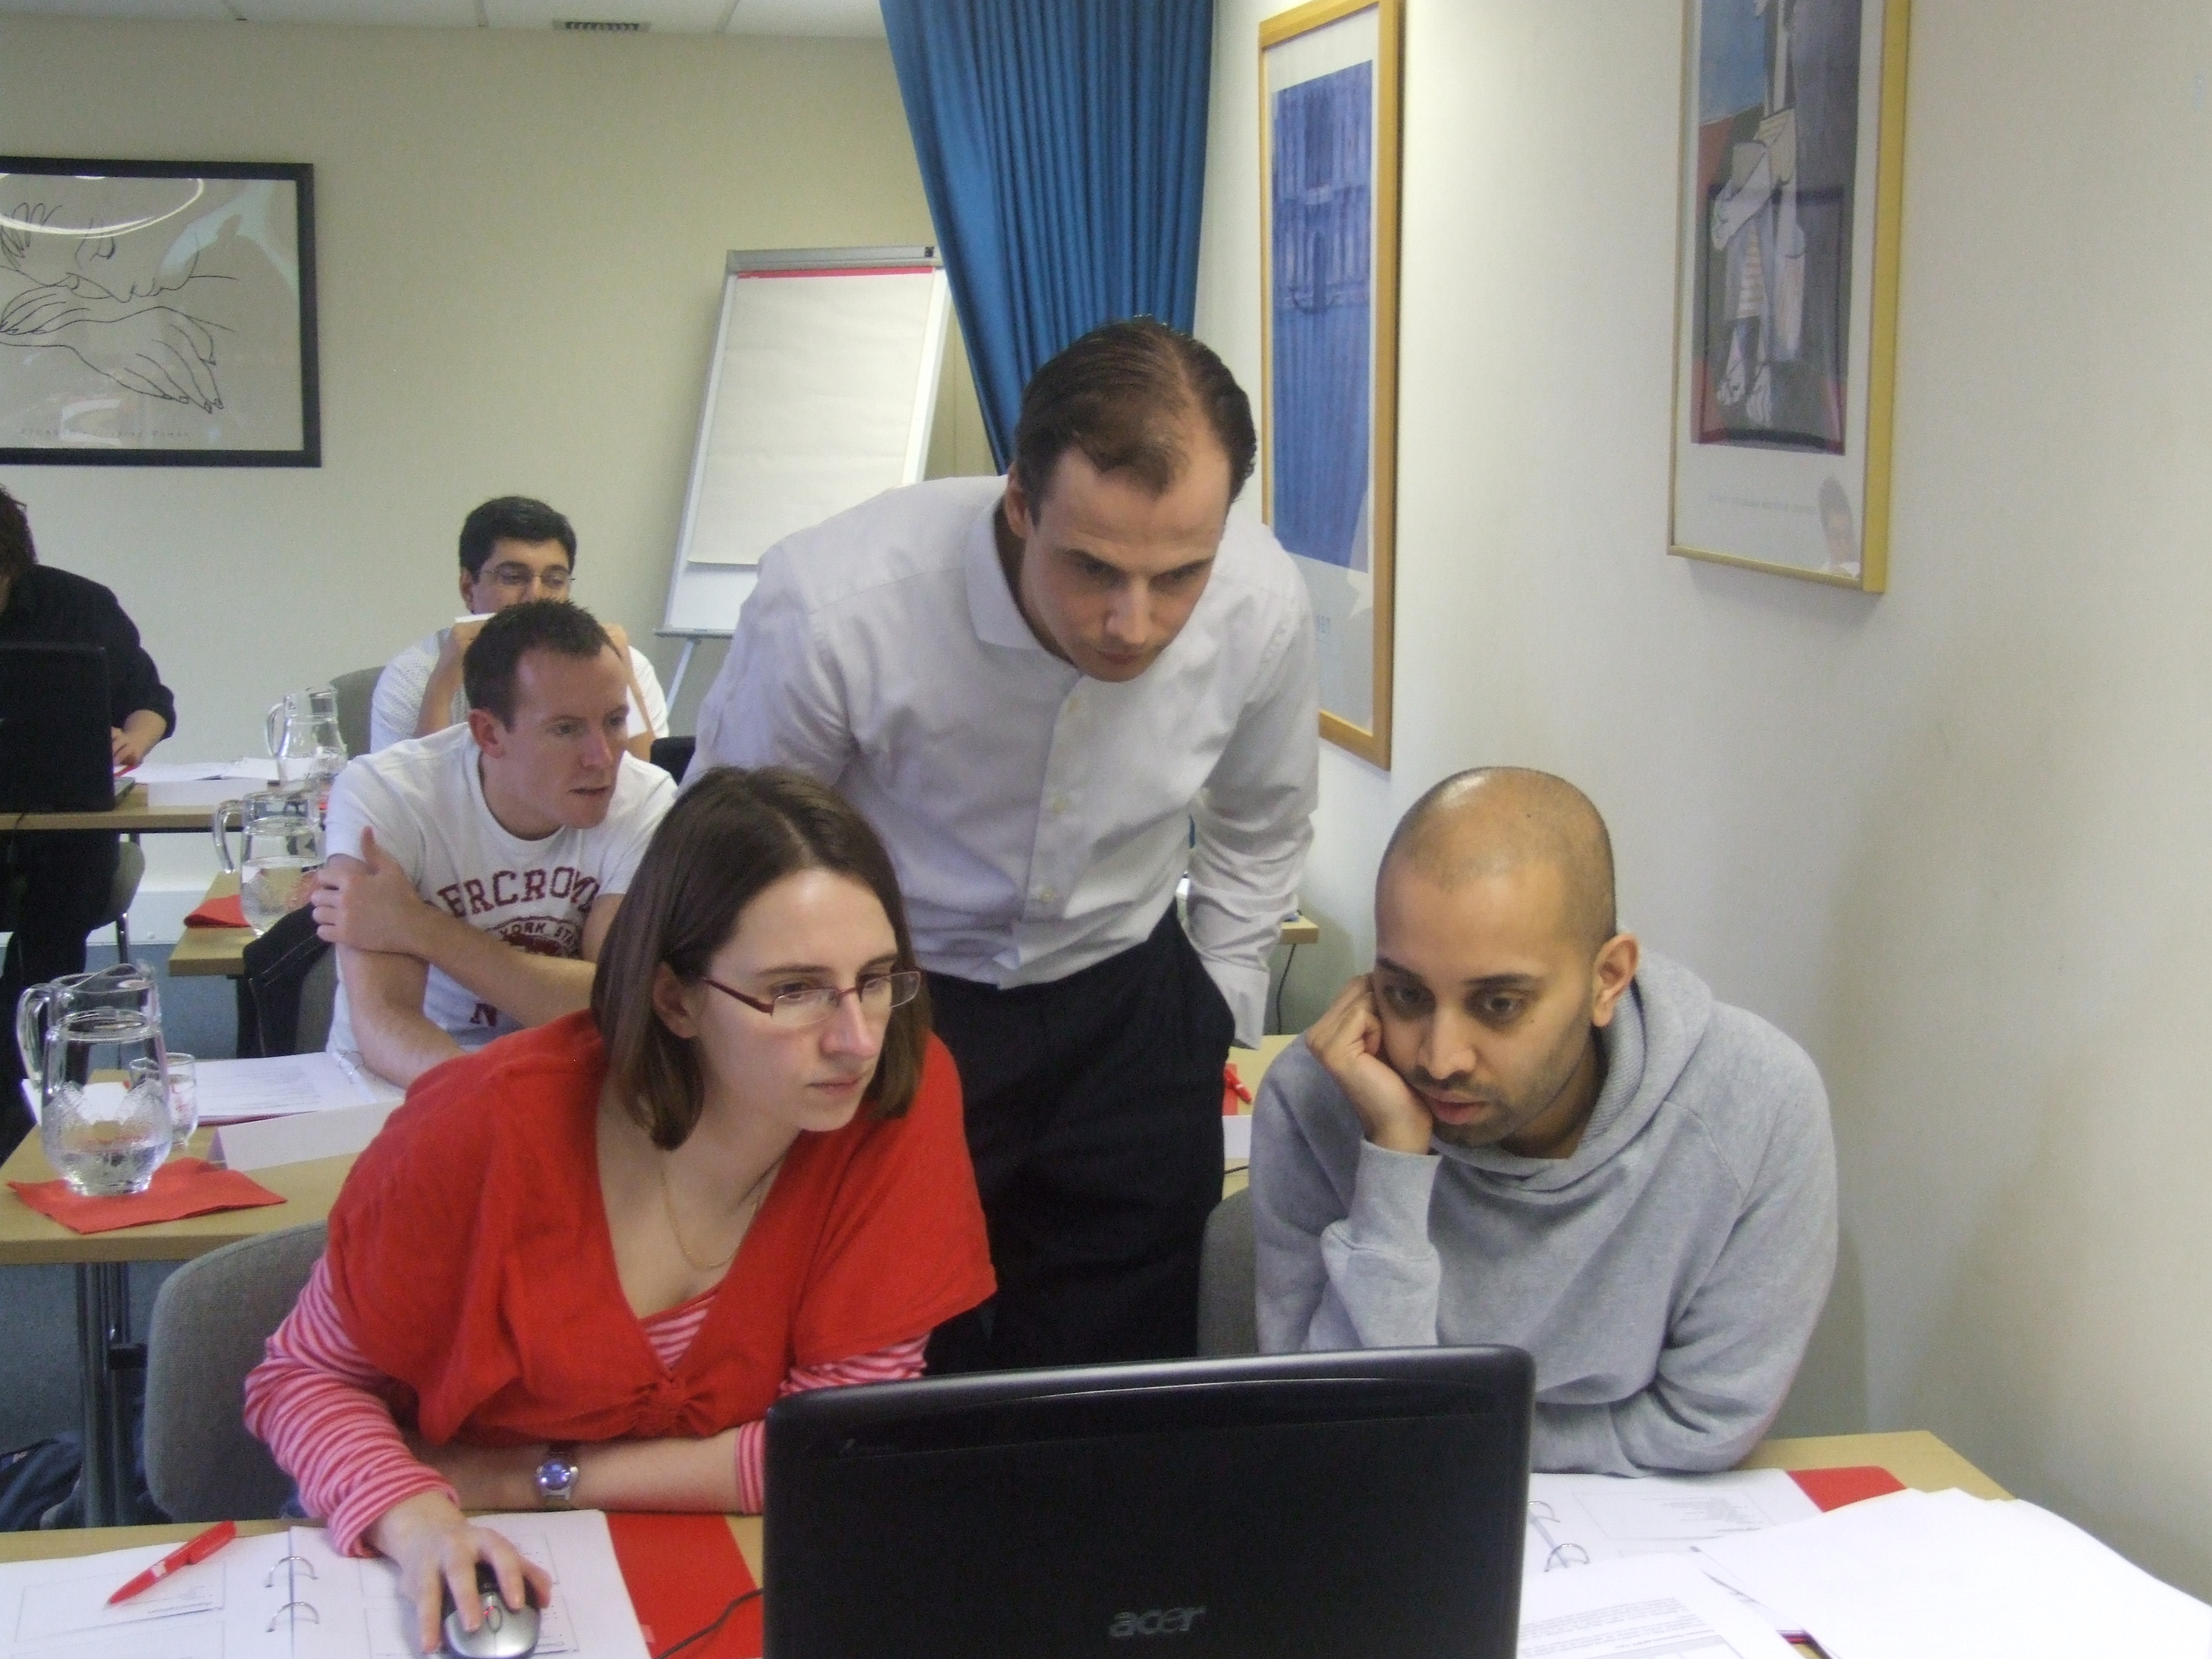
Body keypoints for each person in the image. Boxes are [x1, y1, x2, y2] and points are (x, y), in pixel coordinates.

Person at [689, 317, 1318, 1371]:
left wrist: (1217, 1007)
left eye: (1179, 576)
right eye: (1093, 567)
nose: (1133, 622)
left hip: (1130, 1000)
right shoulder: (837, 605)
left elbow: (1262, 824)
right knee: (885, 1352)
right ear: (1019, 501)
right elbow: (729, 855)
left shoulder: (1262, 604)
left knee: (1119, 1374)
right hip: (895, 1001)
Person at [246, 767, 994, 1653]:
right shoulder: (481, 1131)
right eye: (794, 991)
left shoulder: (895, 1096)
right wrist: (416, 1518)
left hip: (703, 1559)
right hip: (451, 1544)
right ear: (675, 999)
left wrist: (528, 1478)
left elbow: (830, 1447)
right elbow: (303, 1380)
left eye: (874, 979)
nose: (856, 1040)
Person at [1251, 767, 1836, 1473]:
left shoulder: (1757, 1104)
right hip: (1389, 1508)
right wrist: (1394, 1162)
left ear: (1607, 979)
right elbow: (1328, 1424)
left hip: (1641, 1527)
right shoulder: (1318, 1097)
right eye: (1405, 994)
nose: (1439, 1058)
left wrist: (1449, 1437)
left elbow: (1705, 1424)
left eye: (1499, 1004)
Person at [313, 600, 673, 1087]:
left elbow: (616, 1004)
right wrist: (491, 1103)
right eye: (566, 729)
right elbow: (385, 1022)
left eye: (614, 721)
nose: (603, 757)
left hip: (567, 1069)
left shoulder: (647, 799)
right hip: (403, 1080)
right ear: (489, 733)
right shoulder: (386, 794)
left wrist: (419, 926)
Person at [0, 483, 174, 1142]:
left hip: (67, 824)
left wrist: (135, 740)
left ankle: (43, 1093)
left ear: (14, 565)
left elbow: (150, 700)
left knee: (53, 913)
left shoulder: (79, 605)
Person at [368, 495, 668, 760]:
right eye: (513, 578)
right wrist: (441, 689)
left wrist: (624, 681)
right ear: (468, 588)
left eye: (554, 581)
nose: (535, 596)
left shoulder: (623, 665)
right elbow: (411, 798)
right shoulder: (414, 675)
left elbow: (651, 790)